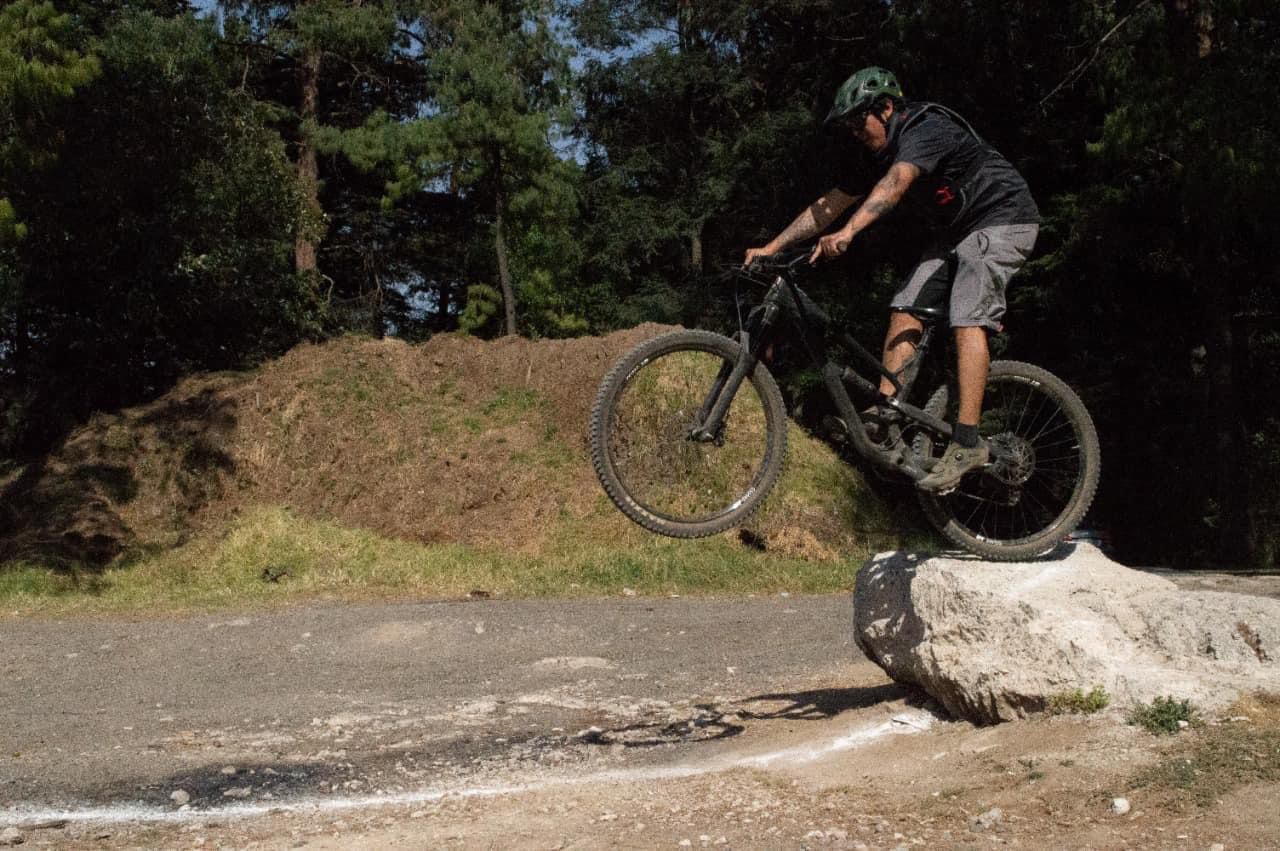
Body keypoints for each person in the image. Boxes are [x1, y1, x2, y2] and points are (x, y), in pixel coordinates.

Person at [743, 66, 1040, 494]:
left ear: (885, 108)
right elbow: (828, 205)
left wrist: (850, 232)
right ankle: (886, 413)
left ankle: (968, 442)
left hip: (1004, 218)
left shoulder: (926, 126)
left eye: (856, 122)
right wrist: (771, 247)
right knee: (905, 307)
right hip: (957, 233)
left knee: (967, 315)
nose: (853, 133)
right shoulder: (874, 156)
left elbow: (897, 184)